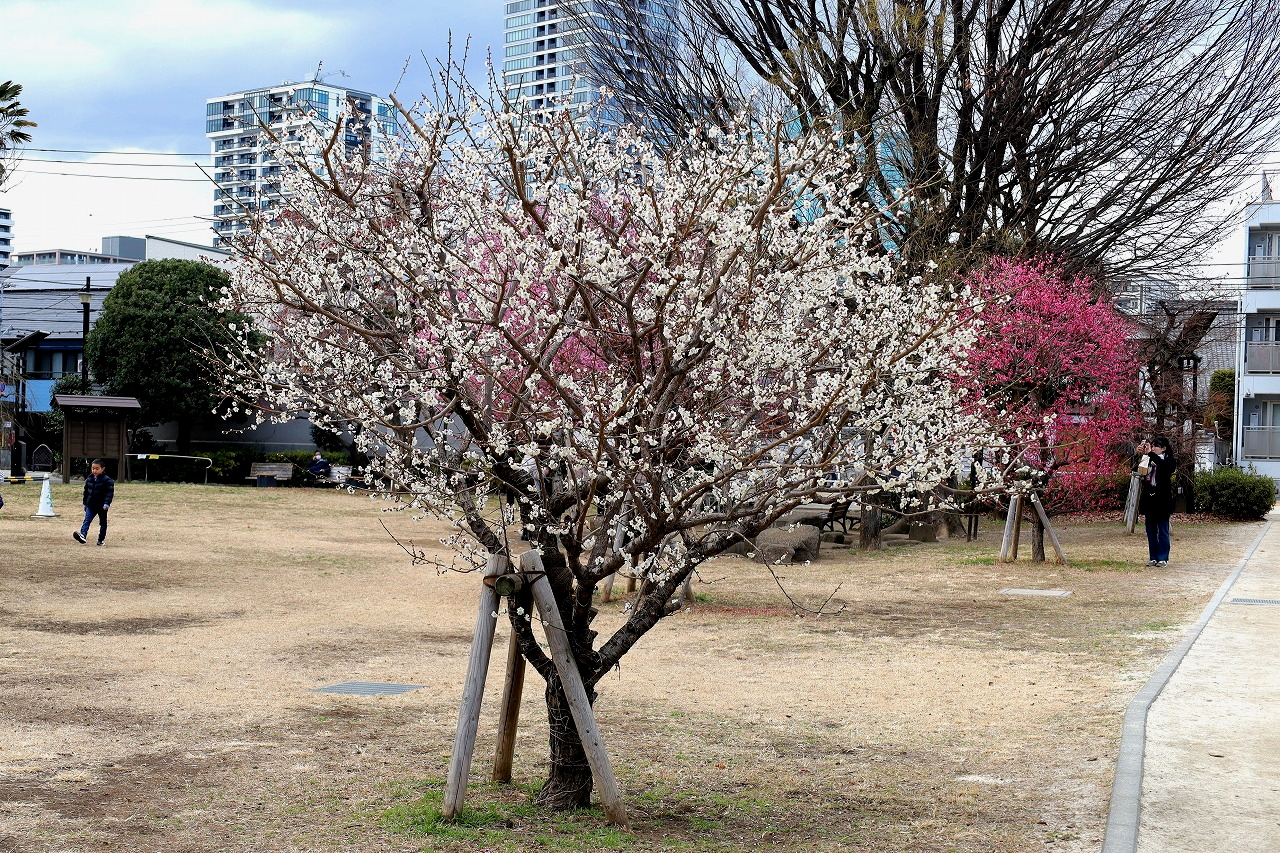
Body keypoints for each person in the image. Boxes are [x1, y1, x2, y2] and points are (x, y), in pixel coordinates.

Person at [1135, 436, 1177, 567]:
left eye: (1155, 447)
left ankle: (1163, 558)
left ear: (1163, 448)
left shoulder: (1169, 460)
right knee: (1151, 530)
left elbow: (1164, 468)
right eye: (1151, 446)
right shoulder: (1148, 459)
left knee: (1163, 530)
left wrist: (1151, 455)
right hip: (1149, 498)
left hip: (1162, 500)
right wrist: (1138, 455)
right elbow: (1135, 471)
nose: (1152, 449)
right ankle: (1153, 557)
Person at [74, 458, 114, 546]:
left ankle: (101, 540)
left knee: (103, 523)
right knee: (87, 520)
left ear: (102, 469)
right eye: (93, 468)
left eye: (97, 469)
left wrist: (107, 503)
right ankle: (83, 535)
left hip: (102, 506)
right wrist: (85, 503)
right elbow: (86, 492)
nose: (94, 471)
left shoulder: (107, 480)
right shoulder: (89, 479)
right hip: (91, 504)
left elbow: (109, 493)